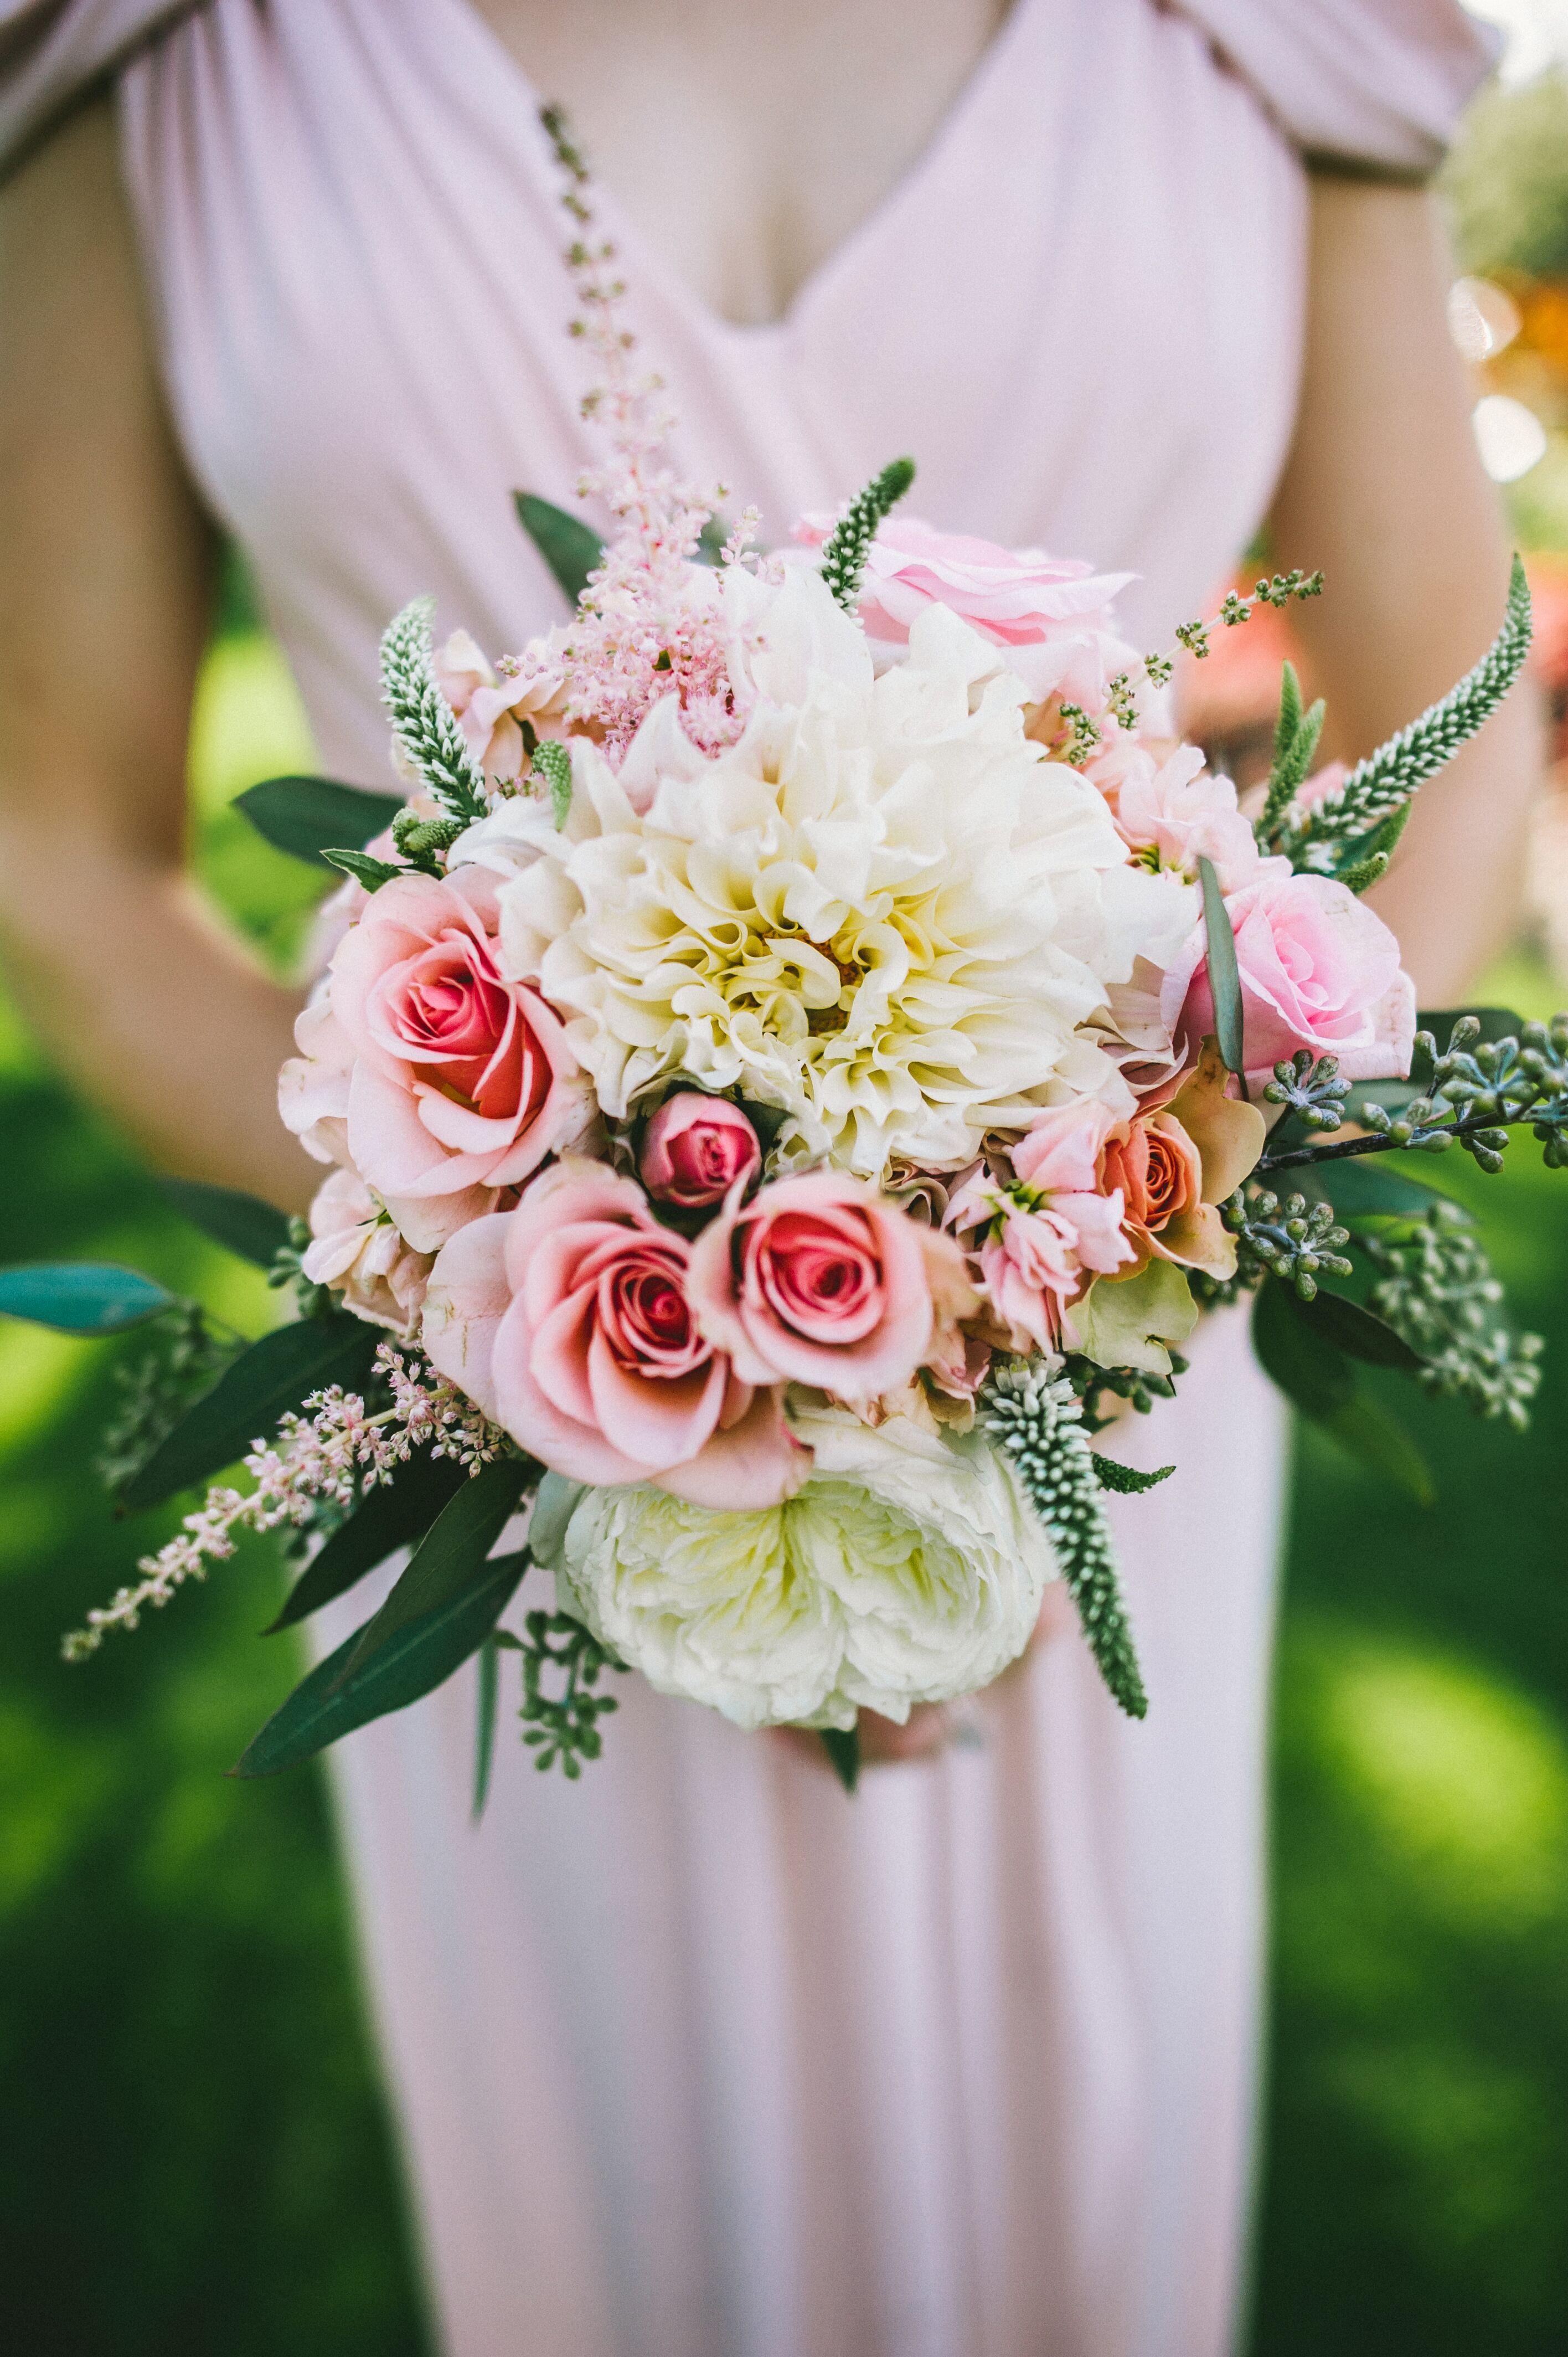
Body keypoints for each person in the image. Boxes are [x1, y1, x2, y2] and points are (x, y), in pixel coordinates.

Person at [0, 4, 1537, 2351]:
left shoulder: (1279, 31)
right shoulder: (149, 48)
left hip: (1105, 1394)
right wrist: (516, 1270)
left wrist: (1066, 1256)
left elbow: (1448, 740)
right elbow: (63, 849)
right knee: (617, 2195)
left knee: (1083, 2148)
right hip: (520, 1433)